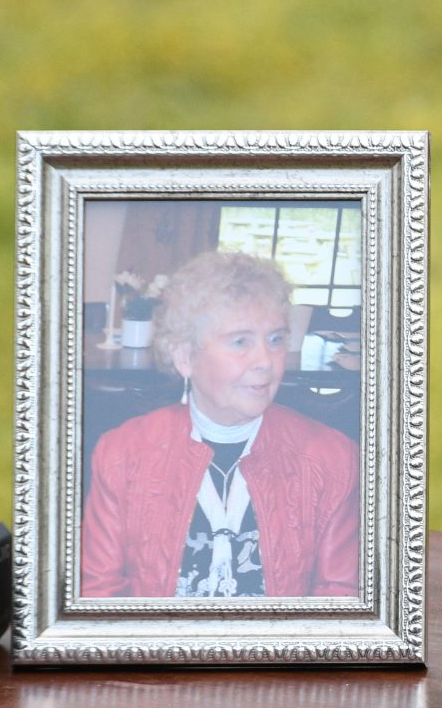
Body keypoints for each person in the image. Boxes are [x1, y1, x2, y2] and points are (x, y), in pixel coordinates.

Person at [81, 250, 360, 598]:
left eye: (275, 339)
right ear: (185, 356)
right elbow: (99, 594)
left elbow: (339, 600)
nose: (265, 361)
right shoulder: (122, 453)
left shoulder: (333, 459)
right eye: (241, 341)